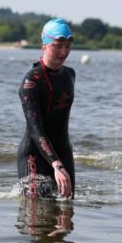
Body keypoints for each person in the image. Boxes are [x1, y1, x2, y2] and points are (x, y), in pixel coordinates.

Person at [17, 18, 76, 199]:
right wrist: (56, 165)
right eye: (57, 46)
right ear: (44, 45)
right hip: (34, 155)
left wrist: (60, 162)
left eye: (67, 46)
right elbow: (35, 129)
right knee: (35, 213)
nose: (63, 52)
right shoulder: (31, 81)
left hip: (63, 152)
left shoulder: (70, 74)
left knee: (67, 212)